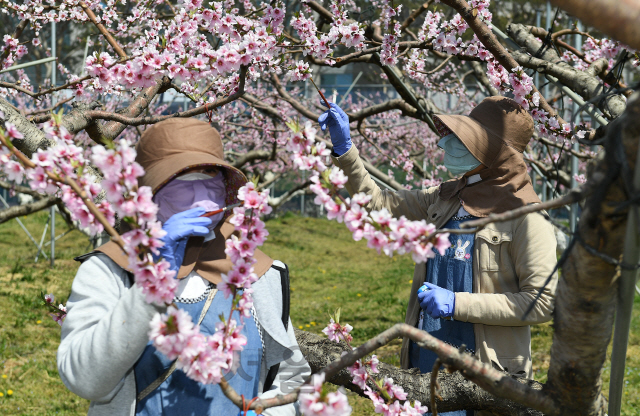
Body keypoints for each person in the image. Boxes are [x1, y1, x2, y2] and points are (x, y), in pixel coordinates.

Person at [318, 97, 558, 415]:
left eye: (464, 139)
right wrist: (345, 151)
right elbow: (376, 205)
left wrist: (457, 303)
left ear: (496, 152)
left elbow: (542, 302)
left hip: (484, 375)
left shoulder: (526, 217)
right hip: (425, 362)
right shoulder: (445, 197)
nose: (447, 143)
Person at [57, 118, 310, 416]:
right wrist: (150, 286)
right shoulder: (112, 268)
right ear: (150, 195)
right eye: (182, 182)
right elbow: (84, 379)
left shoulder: (254, 270)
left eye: (211, 181)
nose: (201, 196)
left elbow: (291, 373)